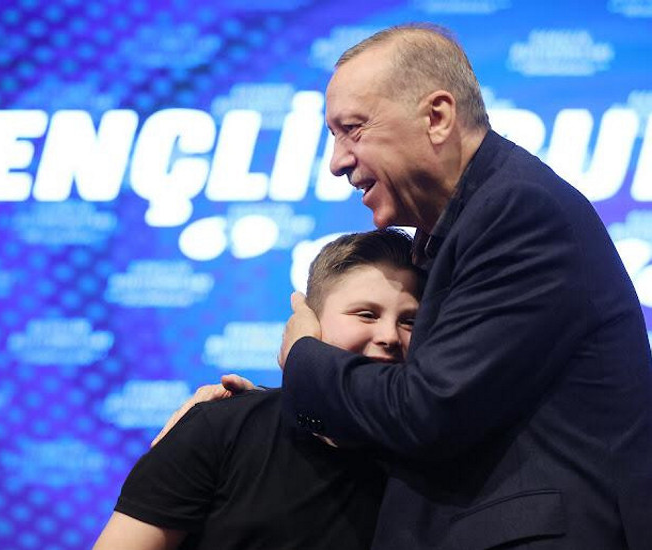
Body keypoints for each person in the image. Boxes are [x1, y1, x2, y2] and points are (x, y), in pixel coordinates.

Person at [275, 22, 652, 550]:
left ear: (437, 117)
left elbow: (427, 410)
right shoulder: (464, 225)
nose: (337, 161)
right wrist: (243, 415)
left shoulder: (518, 211)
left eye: (353, 130)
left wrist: (303, 358)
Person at [92, 228, 425, 550]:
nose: (390, 337)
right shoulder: (223, 429)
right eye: (366, 314)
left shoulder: (432, 454)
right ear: (307, 323)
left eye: (410, 321)